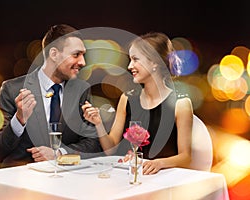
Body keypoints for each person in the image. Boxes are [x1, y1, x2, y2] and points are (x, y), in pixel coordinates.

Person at [0, 24, 102, 168]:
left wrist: (59, 154)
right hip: (22, 181)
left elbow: (93, 143)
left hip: (66, 180)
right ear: (54, 54)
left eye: (83, 55)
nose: (82, 62)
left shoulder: (81, 89)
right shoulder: (12, 89)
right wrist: (19, 119)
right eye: (76, 55)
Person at [82, 32, 193, 175]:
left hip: (163, 180)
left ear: (154, 62)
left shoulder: (180, 104)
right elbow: (110, 149)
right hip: (132, 177)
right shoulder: (127, 98)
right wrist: (98, 123)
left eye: (135, 59)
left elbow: (186, 158)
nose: (129, 66)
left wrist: (158, 163)